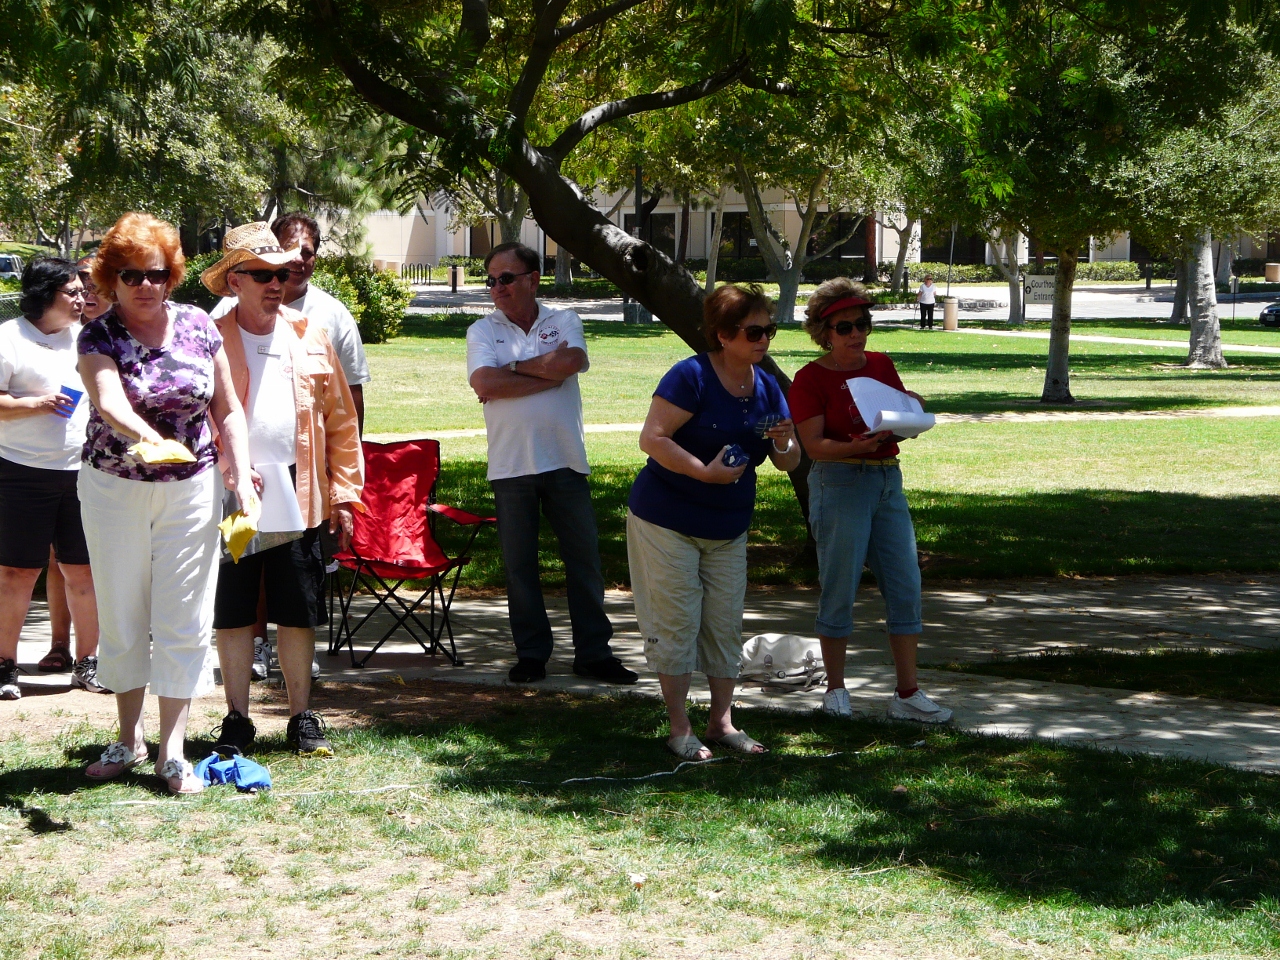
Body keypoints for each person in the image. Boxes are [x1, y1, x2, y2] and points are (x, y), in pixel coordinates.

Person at [78, 212, 254, 795]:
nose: (145, 285)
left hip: (193, 487)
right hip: (114, 487)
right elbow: (108, 401)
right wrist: (148, 439)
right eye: (131, 276)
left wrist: (241, 472)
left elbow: (227, 408)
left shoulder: (199, 326)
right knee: (123, 608)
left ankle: (172, 751)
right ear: (112, 280)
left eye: (155, 274)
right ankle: (128, 739)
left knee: (185, 611)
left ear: (171, 275)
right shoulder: (99, 334)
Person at [201, 222, 363, 758]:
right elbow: (196, 417)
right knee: (234, 606)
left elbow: (341, 421)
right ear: (234, 281)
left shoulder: (309, 334)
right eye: (263, 274)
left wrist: (345, 493)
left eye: (282, 273)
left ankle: (301, 718)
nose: (278, 283)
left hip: (300, 490)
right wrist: (226, 464)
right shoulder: (209, 337)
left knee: (298, 607)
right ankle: (236, 718)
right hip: (234, 494)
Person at [627, 284, 800, 759]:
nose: (764, 339)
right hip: (667, 519)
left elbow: (787, 460)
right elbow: (652, 438)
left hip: (728, 527)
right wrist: (704, 472)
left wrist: (783, 441)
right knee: (677, 622)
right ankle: (679, 728)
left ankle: (722, 723)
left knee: (724, 625)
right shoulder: (692, 376)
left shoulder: (767, 385)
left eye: (769, 330)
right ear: (723, 335)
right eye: (753, 332)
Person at [466, 241, 636, 685]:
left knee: (584, 562)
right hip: (510, 467)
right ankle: (531, 655)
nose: (497, 288)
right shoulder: (482, 330)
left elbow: (573, 360)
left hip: (565, 461)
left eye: (506, 278)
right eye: (491, 280)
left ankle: (594, 654)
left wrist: (511, 370)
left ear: (532, 279)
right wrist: (547, 374)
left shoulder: (564, 319)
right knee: (520, 568)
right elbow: (484, 382)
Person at [789, 277, 952, 724]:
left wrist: (913, 409)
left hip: (886, 480)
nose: (856, 334)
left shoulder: (881, 364)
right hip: (840, 482)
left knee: (905, 585)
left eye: (862, 324)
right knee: (839, 586)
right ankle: (836, 690)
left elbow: (901, 412)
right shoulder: (810, 379)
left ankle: (907, 693)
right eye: (844, 327)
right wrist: (855, 446)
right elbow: (814, 446)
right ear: (824, 332)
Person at [0, 258, 102, 699]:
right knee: (18, 572)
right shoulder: (9, 338)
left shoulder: (88, 337)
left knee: (83, 571)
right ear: (45, 294)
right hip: (20, 471)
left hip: (82, 471)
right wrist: (35, 405)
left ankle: (88, 663)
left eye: (83, 291)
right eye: (73, 291)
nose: (83, 298)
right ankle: (5, 666)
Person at [38, 254, 109, 677]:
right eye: (81, 284)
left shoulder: (118, 334)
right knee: (59, 559)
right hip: (60, 460)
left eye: (96, 285)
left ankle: (98, 651)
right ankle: (59, 644)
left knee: (97, 560)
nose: (88, 293)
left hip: (107, 462)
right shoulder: (60, 334)